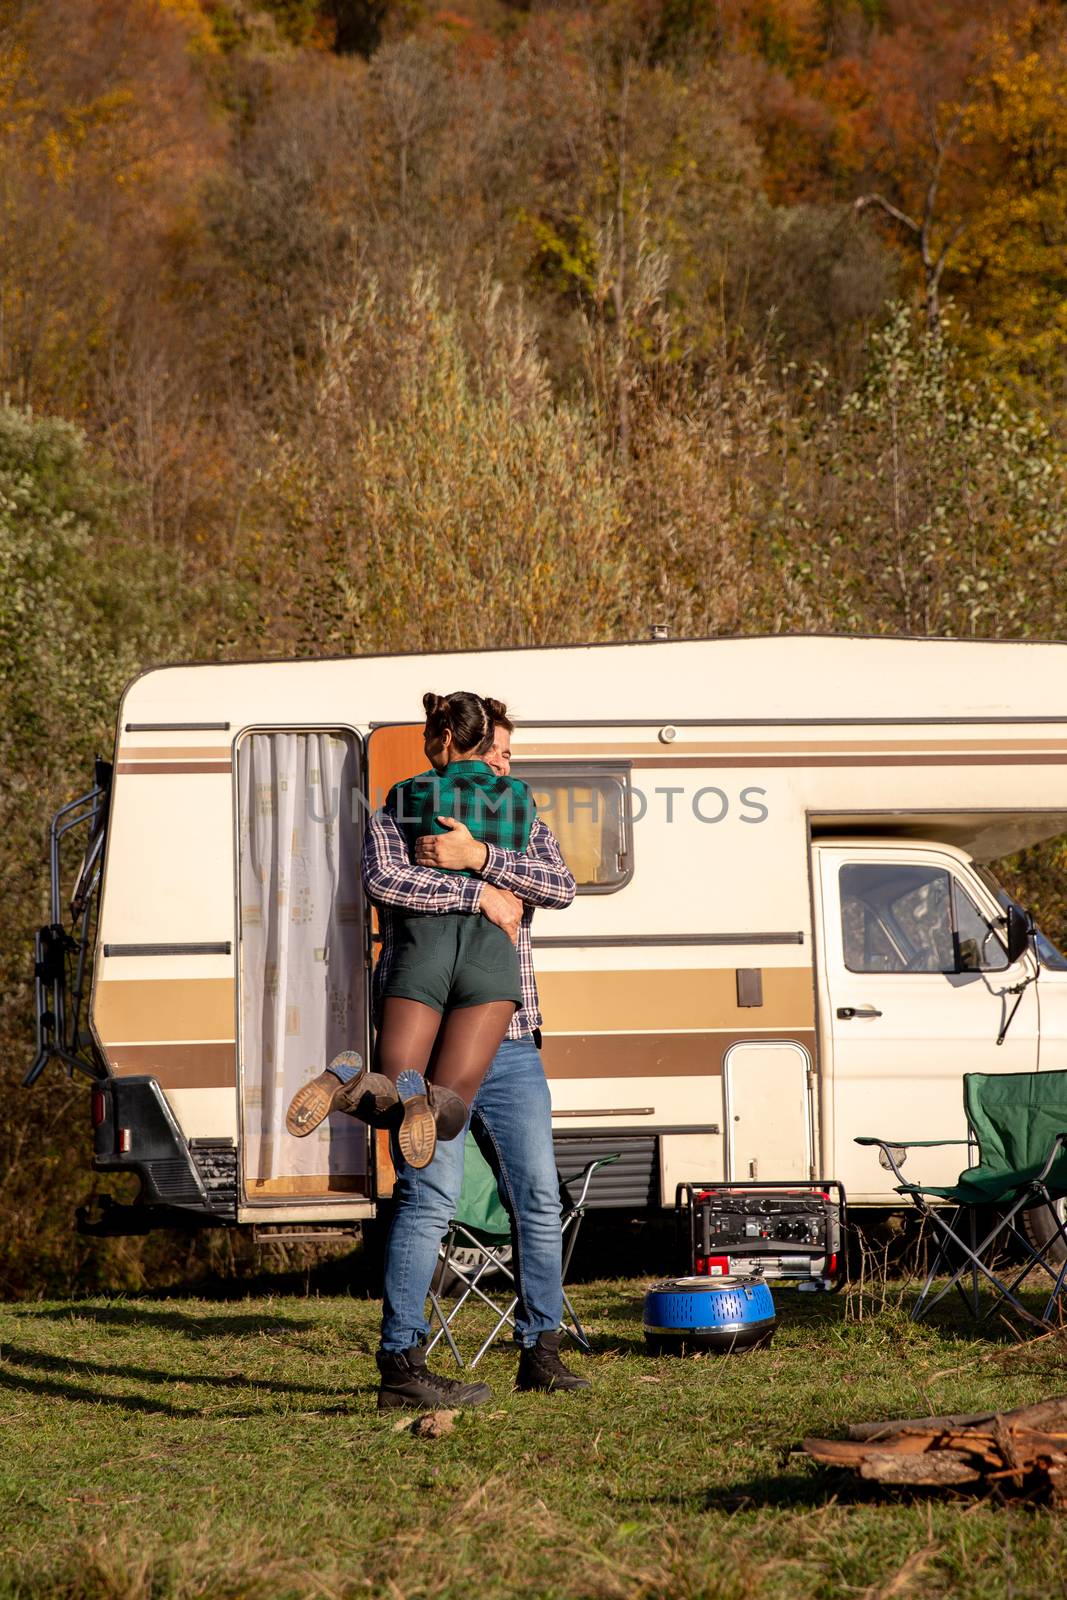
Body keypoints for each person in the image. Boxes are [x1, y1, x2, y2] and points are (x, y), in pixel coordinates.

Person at [361, 713, 588, 1409]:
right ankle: (401, 1362)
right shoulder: (396, 810)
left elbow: (560, 885)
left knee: (537, 1198)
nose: (504, 767)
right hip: (432, 1041)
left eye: (510, 755)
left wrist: (480, 858)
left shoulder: (521, 818)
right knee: (427, 1196)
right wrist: (475, 892)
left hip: (512, 1037)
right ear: (452, 748)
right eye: (496, 753)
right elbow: (386, 884)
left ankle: (539, 1350)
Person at [287, 691, 536, 1171]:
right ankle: (428, 1103)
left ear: (445, 737)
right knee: (450, 1104)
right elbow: (544, 873)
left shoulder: (407, 794)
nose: (425, 745)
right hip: (490, 954)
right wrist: (485, 870)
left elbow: (382, 876)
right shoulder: (523, 799)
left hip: (422, 945)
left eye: (427, 735)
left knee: (392, 1086)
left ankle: (347, 1085)